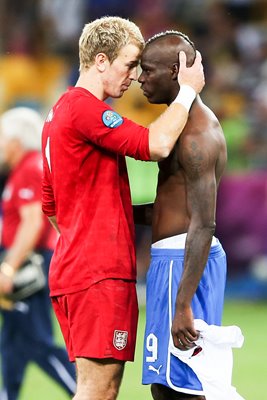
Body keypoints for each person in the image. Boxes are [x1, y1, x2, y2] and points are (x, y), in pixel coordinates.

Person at [41, 16, 205, 400]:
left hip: (78, 270)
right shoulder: (84, 109)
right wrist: (186, 93)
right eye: (129, 63)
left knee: (101, 388)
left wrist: (96, 225)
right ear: (101, 61)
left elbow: (54, 207)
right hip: (97, 275)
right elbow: (157, 145)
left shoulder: (57, 113)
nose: (133, 75)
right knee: (98, 391)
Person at [134, 31, 227, 399]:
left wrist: (183, 304)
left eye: (147, 71)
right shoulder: (183, 125)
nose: (140, 79)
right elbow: (171, 209)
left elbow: (203, 222)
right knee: (170, 384)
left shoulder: (196, 136)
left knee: (178, 388)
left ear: (175, 71)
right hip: (176, 257)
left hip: (180, 262)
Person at [0, 107, 76, 400]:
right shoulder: (24, 169)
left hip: (29, 264)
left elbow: (33, 222)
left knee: (36, 340)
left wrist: (8, 268)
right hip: (25, 259)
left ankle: (83, 392)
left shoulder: (29, 168)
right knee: (11, 340)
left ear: (16, 141)